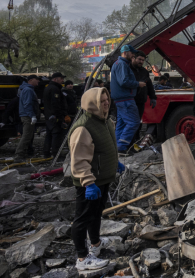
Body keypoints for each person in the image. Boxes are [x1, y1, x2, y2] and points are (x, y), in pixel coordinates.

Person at [68, 86, 125, 272]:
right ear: (92, 103)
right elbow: (79, 159)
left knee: (96, 214)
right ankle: (82, 258)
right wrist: (88, 183)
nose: (106, 103)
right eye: (102, 101)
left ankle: (95, 243)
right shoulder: (83, 127)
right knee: (82, 218)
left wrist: (115, 162)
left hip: (102, 179)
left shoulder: (106, 121)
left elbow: (106, 147)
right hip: (90, 182)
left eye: (107, 99)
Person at [111, 45, 143, 153]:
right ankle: (122, 146)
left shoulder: (119, 64)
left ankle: (116, 146)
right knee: (133, 122)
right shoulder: (122, 64)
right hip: (125, 99)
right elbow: (123, 81)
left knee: (122, 124)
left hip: (121, 100)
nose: (133, 55)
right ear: (125, 52)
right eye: (132, 53)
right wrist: (138, 84)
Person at [15, 75, 41, 159]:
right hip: (27, 116)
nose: (38, 81)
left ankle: (22, 154)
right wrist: (32, 115)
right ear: (31, 80)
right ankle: (19, 155)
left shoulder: (26, 89)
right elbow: (27, 104)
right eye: (36, 80)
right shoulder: (28, 90)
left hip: (26, 115)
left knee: (28, 135)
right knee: (26, 136)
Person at [43, 72, 67, 158]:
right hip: (55, 117)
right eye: (61, 79)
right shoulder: (55, 89)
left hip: (49, 116)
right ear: (55, 79)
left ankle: (46, 153)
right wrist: (60, 116)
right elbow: (56, 104)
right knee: (56, 135)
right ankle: (56, 154)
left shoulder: (48, 88)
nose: (62, 81)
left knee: (49, 135)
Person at [131, 51, 156, 120]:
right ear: (134, 58)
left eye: (143, 60)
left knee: (138, 123)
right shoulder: (128, 70)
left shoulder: (144, 72)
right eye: (139, 59)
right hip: (131, 101)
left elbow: (149, 85)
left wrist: (153, 97)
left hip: (141, 102)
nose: (141, 62)